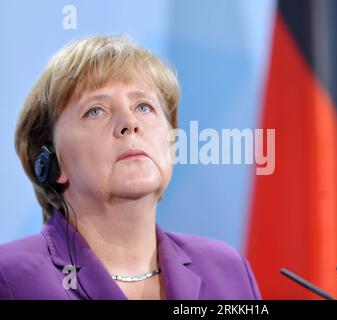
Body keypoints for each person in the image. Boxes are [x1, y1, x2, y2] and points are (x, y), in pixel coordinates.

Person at [0, 35, 261, 300]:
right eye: (95, 111)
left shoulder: (227, 270)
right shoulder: (11, 279)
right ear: (51, 161)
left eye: (143, 106)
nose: (130, 122)